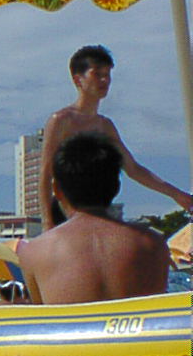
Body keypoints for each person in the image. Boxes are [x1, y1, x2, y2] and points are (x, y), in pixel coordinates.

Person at [39, 45, 192, 231]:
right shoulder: (61, 120)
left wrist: (176, 194)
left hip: (98, 207)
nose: (105, 80)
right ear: (78, 79)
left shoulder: (105, 126)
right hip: (67, 208)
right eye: (97, 74)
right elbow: (46, 173)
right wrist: (47, 222)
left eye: (107, 74)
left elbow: (133, 169)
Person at [20, 132, 170, 304]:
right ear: (117, 186)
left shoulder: (35, 252)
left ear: (57, 190)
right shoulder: (153, 244)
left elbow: (44, 315)